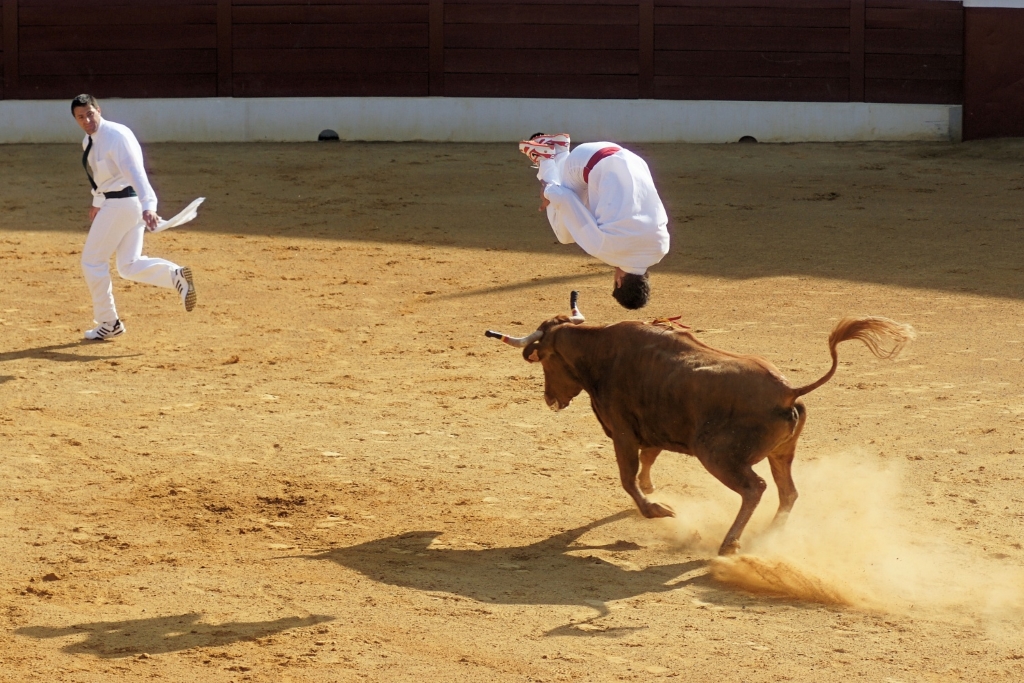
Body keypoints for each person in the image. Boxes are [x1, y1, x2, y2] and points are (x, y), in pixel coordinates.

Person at [71, 94, 197, 341]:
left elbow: (136, 172)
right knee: (128, 265)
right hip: (121, 203)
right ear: (76, 119)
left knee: (92, 262)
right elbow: (102, 178)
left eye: (90, 113)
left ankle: (108, 321)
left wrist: (149, 204)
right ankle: (175, 275)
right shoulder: (88, 141)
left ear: (98, 109)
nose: (86, 120)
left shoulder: (115, 136)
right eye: (80, 117)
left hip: (124, 204)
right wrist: (97, 202)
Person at [519, 133, 670, 309]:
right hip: (587, 160)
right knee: (564, 235)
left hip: (629, 158)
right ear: (619, 282)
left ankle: (560, 149)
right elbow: (567, 200)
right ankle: (544, 158)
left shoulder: (662, 248)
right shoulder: (606, 250)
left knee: (596, 209)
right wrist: (548, 191)